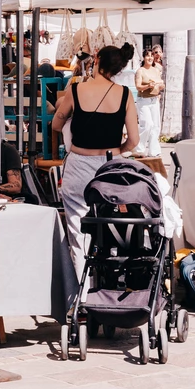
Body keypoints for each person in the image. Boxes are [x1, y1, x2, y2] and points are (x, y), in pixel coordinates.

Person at [52, 44, 140, 278]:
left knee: (78, 227)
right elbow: (133, 140)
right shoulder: (125, 94)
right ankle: (111, 281)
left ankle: (81, 294)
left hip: (79, 163)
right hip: (110, 165)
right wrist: (116, 150)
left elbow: (56, 125)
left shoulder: (77, 90)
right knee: (112, 222)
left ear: (97, 60)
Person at [134, 48, 164, 157]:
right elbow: (138, 87)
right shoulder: (140, 71)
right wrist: (148, 86)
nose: (150, 57)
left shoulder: (156, 70)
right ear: (144, 58)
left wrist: (160, 86)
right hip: (143, 100)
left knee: (155, 126)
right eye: (148, 55)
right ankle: (139, 149)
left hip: (154, 99)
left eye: (151, 55)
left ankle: (154, 150)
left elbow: (161, 83)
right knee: (147, 124)